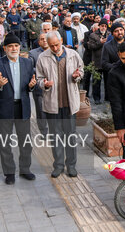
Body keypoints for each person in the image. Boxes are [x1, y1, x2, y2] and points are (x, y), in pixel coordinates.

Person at [0, 33, 37, 185]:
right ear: (5, 48)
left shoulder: (27, 62)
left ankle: (25, 169)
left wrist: (31, 86)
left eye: (16, 46)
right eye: (10, 46)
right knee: (5, 142)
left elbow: (31, 83)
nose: (14, 48)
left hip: (22, 107)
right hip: (4, 109)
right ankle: (9, 172)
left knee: (25, 141)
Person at [35, 31, 84, 178]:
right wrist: (44, 84)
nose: (55, 48)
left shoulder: (73, 54)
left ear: (61, 40)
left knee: (70, 136)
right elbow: (39, 78)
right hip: (53, 104)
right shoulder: (42, 58)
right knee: (55, 136)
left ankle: (71, 166)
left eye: (57, 45)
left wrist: (77, 76)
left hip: (70, 104)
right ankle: (58, 165)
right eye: (51, 46)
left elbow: (81, 70)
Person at [28, 32, 49, 136]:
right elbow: (29, 68)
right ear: (38, 41)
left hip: (53, 87)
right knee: (41, 111)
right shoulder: (33, 53)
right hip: (39, 87)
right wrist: (43, 70)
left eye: (46, 39)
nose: (44, 40)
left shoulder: (54, 51)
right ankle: (44, 132)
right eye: (41, 39)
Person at [86, 19, 109, 103]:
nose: (103, 27)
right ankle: (97, 99)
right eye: (102, 26)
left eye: (105, 26)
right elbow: (91, 46)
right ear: (99, 26)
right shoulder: (93, 35)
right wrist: (100, 42)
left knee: (108, 81)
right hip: (97, 62)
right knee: (96, 82)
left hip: (106, 62)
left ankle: (107, 97)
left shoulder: (109, 34)